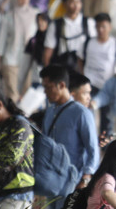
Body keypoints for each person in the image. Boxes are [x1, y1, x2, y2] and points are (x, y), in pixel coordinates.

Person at [40, 65, 100, 197]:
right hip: (50, 180)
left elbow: (92, 149)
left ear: (61, 85)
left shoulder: (81, 113)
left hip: (73, 182)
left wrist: (85, 179)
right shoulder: (50, 112)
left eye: (48, 87)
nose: (45, 92)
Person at [78, 12, 116, 135]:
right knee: (88, 118)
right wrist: (83, 74)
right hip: (90, 86)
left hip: (108, 87)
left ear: (109, 27)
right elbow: (80, 58)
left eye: (103, 26)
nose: (100, 30)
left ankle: (105, 148)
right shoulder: (88, 43)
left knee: (108, 121)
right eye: (98, 26)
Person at [0, 0, 39, 101]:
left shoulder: (36, 14)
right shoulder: (9, 16)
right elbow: (2, 39)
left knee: (28, 93)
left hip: (29, 59)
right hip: (11, 58)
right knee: (12, 92)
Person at [42, 0, 97, 69]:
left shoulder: (89, 23)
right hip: (63, 68)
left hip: (85, 68)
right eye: (72, 2)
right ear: (64, 4)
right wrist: (47, 72)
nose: (76, 5)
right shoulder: (56, 25)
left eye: (78, 2)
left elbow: (95, 46)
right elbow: (48, 51)